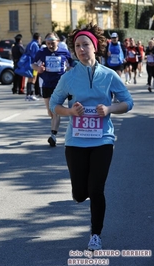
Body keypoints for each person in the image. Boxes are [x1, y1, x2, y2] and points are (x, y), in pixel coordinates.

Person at [49, 23, 134, 251]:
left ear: (95, 47)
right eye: (77, 45)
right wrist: (69, 112)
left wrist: (108, 110)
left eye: (85, 44)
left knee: (96, 189)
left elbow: (128, 102)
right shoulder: (69, 77)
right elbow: (53, 103)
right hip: (76, 141)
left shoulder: (109, 75)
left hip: (102, 140)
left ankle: (95, 235)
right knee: (79, 194)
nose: (81, 49)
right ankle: (81, 193)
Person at [32, 32, 74, 147]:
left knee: (55, 111)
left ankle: (53, 136)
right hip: (46, 84)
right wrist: (39, 69)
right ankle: (54, 127)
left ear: (58, 42)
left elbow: (71, 65)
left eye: (52, 43)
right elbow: (33, 65)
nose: (50, 45)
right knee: (50, 112)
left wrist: (70, 73)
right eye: (48, 43)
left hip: (59, 85)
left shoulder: (64, 52)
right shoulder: (41, 52)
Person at [24, 33, 41, 101]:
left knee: (29, 79)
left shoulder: (29, 44)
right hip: (34, 64)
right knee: (33, 79)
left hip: (28, 63)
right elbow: (36, 55)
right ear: (38, 38)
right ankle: (31, 94)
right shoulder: (35, 45)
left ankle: (28, 94)